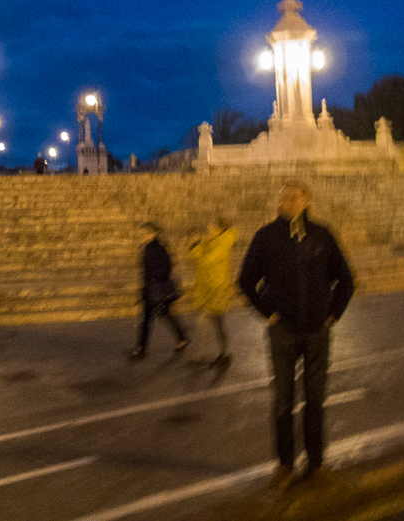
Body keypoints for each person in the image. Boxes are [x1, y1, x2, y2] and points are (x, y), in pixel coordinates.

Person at [238, 179, 355, 488]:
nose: (289, 201)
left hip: (317, 331)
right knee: (283, 402)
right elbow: (246, 281)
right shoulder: (266, 237)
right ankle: (285, 465)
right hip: (283, 332)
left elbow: (345, 279)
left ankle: (316, 465)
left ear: (307, 201)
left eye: (296, 196)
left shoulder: (322, 235)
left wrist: (332, 314)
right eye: (284, 197)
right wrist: (270, 314)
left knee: (315, 402)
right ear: (279, 202)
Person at [130, 222, 189, 360]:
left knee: (149, 318)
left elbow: (167, 267)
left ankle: (142, 348)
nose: (142, 236)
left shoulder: (160, 249)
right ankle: (181, 338)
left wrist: (155, 280)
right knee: (163, 315)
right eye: (142, 234)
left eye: (145, 234)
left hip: (156, 289)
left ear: (154, 233)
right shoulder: (147, 248)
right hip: (150, 288)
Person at [187, 218, 238, 366]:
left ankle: (206, 356)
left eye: (212, 225)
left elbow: (208, 260)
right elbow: (194, 256)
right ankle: (219, 354)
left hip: (216, 291)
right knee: (212, 324)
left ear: (220, 228)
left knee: (209, 324)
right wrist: (195, 243)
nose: (209, 227)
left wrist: (197, 246)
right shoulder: (211, 241)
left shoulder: (223, 243)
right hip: (207, 290)